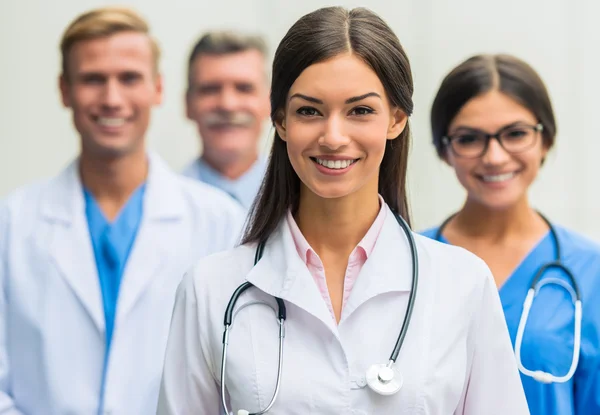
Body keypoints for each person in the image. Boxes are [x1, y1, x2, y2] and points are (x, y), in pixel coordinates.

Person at [156, 7, 530, 415]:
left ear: (396, 119)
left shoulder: (464, 285)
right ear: (280, 121)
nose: (333, 136)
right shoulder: (210, 289)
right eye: (309, 111)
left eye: (360, 111)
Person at [0, 7, 245, 415]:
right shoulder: (12, 223)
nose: (112, 99)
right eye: (93, 79)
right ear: (64, 90)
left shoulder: (219, 222)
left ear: (158, 88)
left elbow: (236, 376)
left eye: (129, 78)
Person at [422, 54, 600, 414]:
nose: (495, 157)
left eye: (515, 134)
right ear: (444, 150)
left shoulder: (591, 271)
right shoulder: (409, 264)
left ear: (545, 139)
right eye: (469, 138)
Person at [182, 30, 271, 210]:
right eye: (210, 89)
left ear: (270, 102)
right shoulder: (166, 200)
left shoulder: (302, 201)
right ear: (188, 104)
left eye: (244, 88)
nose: (227, 105)